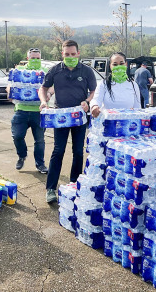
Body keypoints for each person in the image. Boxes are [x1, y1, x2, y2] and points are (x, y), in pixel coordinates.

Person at [39, 40, 97, 204]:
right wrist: (44, 101)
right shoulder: (55, 70)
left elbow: (93, 91)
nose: (70, 57)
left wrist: (87, 101)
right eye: (67, 54)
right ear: (62, 55)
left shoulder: (86, 71)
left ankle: (75, 184)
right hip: (61, 117)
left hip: (79, 116)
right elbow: (43, 88)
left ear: (78, 53)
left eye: (73, 54)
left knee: (78, 151)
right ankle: (51, 188)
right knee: (58, 151)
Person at [7, 48, 49, 174]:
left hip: (39, 111)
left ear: (40, 58)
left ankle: (40, 164)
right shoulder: (19, 71)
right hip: (21, 110)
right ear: (27, 59)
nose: (35, 60)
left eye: (37, 58)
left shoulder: (45, 71)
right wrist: (9, 92)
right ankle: (22, 155)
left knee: (40, 140)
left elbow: (51, 88)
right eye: (33, 58)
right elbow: (10, 84)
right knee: (17, 136)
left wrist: (49, 95)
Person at [90, 52, 141, 117]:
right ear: (110, 66)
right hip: (108, 122)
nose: (119, 67)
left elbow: (137, 108)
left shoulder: (133, 85)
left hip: (127, 123)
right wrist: (94, 106)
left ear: (126, 64)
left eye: (121, 63)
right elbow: (96, 99)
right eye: (115, 64)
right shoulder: (103, 83)